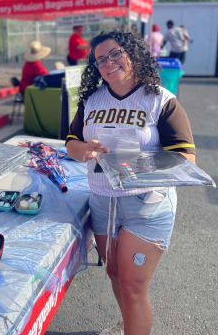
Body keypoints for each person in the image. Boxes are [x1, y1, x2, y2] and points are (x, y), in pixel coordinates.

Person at [65, 30, 195, 335]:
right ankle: (130, 326)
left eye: (115, 54)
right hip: (102, 201)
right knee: (114, 274)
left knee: (134, 287)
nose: (108, 63)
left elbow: (186, 159)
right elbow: (71, 141)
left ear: (133, 53)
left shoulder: (161, 100)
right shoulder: (92, 100)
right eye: (100, 60)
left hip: (146, 203)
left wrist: (133, 167)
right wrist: (84, 150)